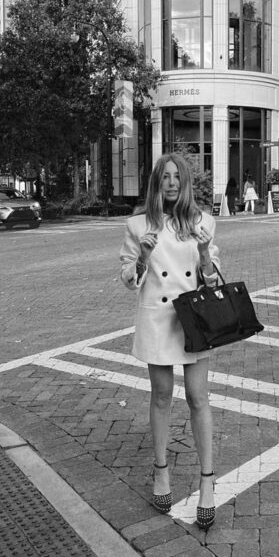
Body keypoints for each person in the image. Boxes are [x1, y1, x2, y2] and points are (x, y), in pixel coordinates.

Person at [120, 153, 220, 531]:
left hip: (193, 319)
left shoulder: (202, 222)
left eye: (178, 177)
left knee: (198, 398)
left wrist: (206, 252)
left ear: (186, 182)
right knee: (161, 396)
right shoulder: (137, 225)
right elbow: (129, 279)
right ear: (156, 182)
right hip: (158, 319)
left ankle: (207, 482)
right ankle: (161, 471)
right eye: (166, 176)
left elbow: (211, 282)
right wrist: (143, 258)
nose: (172, 183)